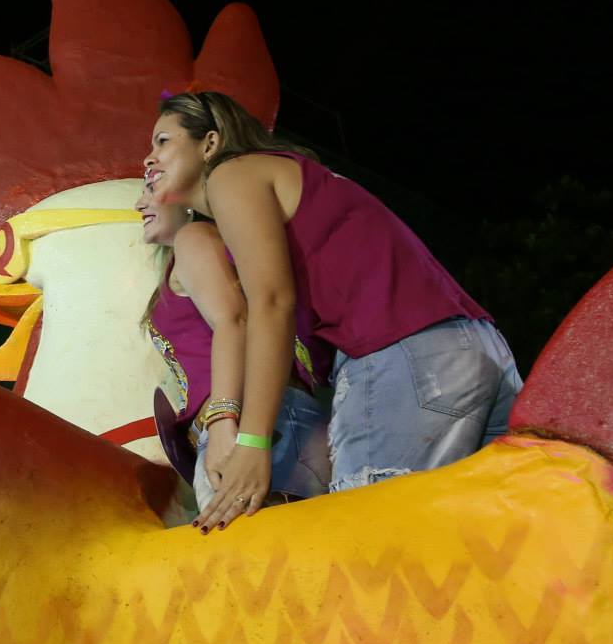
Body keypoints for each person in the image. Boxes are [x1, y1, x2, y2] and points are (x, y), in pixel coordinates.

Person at [146, 91, 522, 525]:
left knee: (364, 540)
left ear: (209, 143)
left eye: (162, 141)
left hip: (404, 356)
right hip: (478, 349)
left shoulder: (233, 175)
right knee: (475, 544)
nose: (148, 158)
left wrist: (251, 441)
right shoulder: (292, 177)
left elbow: (272, 302)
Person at [136, 182, 330, 516]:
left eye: (150, 188)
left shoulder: (196, 237)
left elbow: (234, 322)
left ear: (187, 198)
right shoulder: (204, 251)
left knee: (257, 559)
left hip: (246, 421)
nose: (140, 204)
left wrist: (223, 419)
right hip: (279, 419)